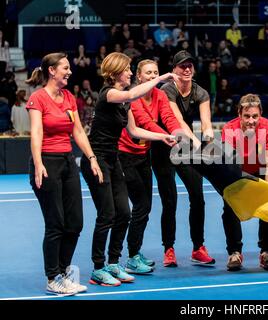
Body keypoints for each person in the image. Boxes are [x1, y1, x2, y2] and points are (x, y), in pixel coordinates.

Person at [80, 52, 177, 287]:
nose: (131, 73)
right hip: (97, 160)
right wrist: (161, 77)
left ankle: (114, 263)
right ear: (115, 72)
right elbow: (134, 92)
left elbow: (134, 131)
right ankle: (98, 268)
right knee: (107, 214)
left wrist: (162, 135)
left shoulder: (125, 102)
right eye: (127, 70)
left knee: (123, 212)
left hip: (113, 160)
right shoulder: (109, 94)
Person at [25, 52, 103, 295]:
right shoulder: (38, 98)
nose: (70, 72)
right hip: (47, 162)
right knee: (55, 223)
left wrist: (92, 158)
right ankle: (52, 278)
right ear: (52, 71)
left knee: (75, 222)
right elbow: (36, 132)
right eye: (65, 68)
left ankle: (63, 272)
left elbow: (78, 131)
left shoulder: (69, 96)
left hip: (68, 162)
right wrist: (38, 163)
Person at [117, 59, 182, 274]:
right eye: (148, 73)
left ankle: (135, 253)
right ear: (139, 77)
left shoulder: (160, 95)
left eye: (156, 72)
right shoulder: (133, 96)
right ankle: (129, 257)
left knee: (145, 207)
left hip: (144, 155)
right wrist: (164, 136)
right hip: (125, 156)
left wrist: (176, 133)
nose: (153, 76)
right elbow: (145, 123)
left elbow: (168, 117)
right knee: (140, 205)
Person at [152, 50, 215, 267]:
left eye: (190, 65)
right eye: (182, 66)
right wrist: (197, 145)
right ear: (174, 69)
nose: (186, 69)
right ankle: (169, 249)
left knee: (198, 197)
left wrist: (208, 142)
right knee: (170, 201)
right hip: (164, 147)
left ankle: (198, 248)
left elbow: (206, 123)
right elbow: (178, 122)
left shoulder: (201, 92)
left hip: (187, 148)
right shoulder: (166, 90)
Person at [221, 93, 268, 271]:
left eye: (255, 116)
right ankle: (235, 253)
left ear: (260, 113)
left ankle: (266, 252)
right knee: (230, 209)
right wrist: (239, 191)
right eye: (247, 116)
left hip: (261, 170)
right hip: (237, 172)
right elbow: (231, 163)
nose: (251, 121)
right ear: (239, 114)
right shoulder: (229, 129)